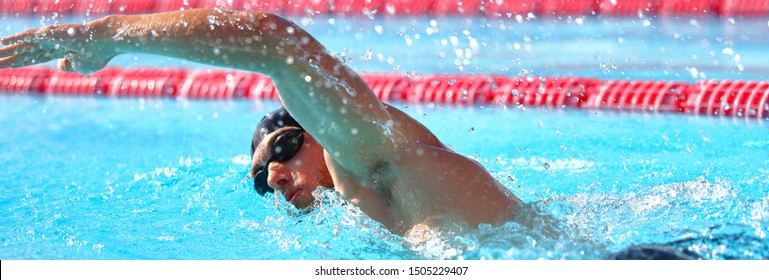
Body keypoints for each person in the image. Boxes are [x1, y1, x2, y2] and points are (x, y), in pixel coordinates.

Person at [0, 8, 545, 238]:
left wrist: (112, 34)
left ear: (317, 127)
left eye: (283, 149)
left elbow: (276, 42)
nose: (277, 177)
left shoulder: (371, 156)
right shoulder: (376, 209)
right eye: (263, 179)